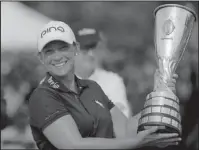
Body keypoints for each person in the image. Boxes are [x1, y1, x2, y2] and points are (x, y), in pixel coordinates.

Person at [28, 21, 181, 150]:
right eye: (49, 51)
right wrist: (135, 143)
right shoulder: (43, 96)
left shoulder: (92, 87)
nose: (57, 56)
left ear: (76, 49)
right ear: (41, 57)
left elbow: (126, 129)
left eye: (63, 48)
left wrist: (159, 95)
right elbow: (74, 145)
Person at [74, 27, 132, 118]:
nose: (91, 54)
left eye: (94, 48)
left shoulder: (112, 80)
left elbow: (121, 120)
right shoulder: (57, 82)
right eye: (85, 50)